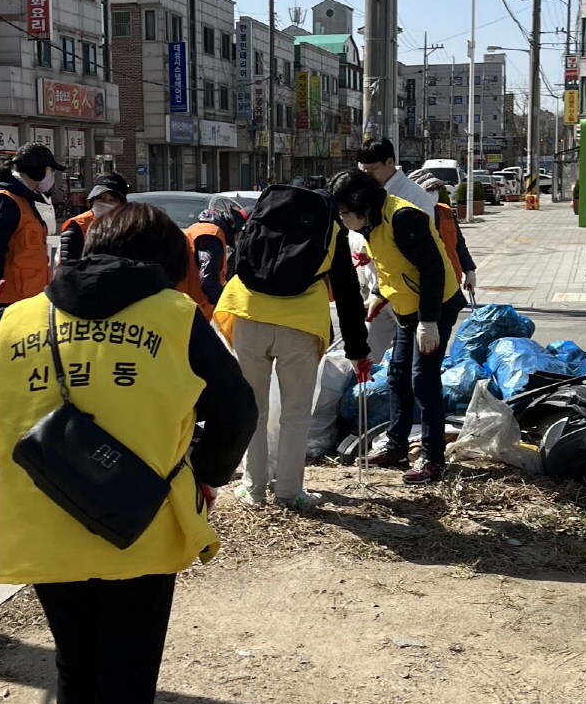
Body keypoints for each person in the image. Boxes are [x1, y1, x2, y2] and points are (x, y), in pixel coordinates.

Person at [0, 202, 256, 704]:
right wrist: (206, 475)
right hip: (140, 526)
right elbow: (238, 410)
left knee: (79, 673)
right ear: (166, 261)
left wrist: (55, 473)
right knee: (123, 692)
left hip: (43, 530)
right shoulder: (174, 318)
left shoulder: (21, 319)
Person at [213, 185, 371, 509]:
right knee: (296, 415)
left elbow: (238, 264)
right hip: (300, 327)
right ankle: (289, 493)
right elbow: (346, 291)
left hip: (247, 315)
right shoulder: (329, 230)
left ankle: (253, 490)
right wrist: (357, 349)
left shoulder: (263, 217)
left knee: (252, 408)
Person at [331, 170, 467, 486]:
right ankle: (396, 446)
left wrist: (430, 322)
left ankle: (433, 459)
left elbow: (433, 270)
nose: (342, 219)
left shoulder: (404, 217)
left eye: (344, 213)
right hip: (406, 307)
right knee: (397, 375)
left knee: (423, 379)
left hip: (436, 305)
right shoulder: (371, 223)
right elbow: (389, 265)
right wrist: (378, 296)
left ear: (360, 206)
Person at [0, 143, 61, 319]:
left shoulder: (25, 199)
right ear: (36, 170)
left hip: (30, 296)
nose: (51, 176)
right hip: (12, 298)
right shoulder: (6, 201)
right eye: (50, 171)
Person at [177, 195, 246, 318]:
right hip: (191, 307)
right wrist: (222, 304)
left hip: (185, 302)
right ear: (235, 227)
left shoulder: (203, 230)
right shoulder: (211, 234)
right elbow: (208, 276)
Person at [417, 176, 478, 298]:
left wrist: (469, 270)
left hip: (451, 279)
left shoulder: (445, 212)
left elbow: (459, 244)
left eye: (435, 190)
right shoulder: (407, 216)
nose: (433, 194)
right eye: (428, 190)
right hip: (421, 284)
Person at [356, 138, 437, 216]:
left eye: (373, 168)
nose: (368, 173)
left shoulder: (416, 196)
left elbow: (424, 229)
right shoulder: (363, 191)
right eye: (365, 169)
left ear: (390, 162)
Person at [59, 173, 128, 264]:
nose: (105, 203)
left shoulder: (129, 225)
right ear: (92, 200)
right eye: (100, 198)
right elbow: (68, 265)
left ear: (122, 204)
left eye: (112, 200)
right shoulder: (78, 224)